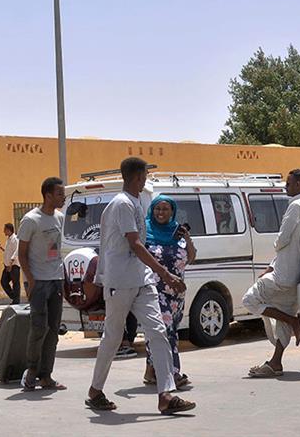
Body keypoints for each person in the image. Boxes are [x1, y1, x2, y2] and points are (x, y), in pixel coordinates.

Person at [86, 157, 195, 415]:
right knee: (113, 337)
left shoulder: (136, 202)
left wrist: (157, 274)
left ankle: (166, 395)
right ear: (138, 177)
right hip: (120, 281)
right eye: (145, 175)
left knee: (158, 331)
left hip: (142, 280)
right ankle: (95, 390)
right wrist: (165, 274)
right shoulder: (122, 204)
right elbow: (135, 244)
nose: (146, 179)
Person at [243, 169, 300, 378]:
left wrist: (275, 249)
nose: (286, 186)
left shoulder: (295, 206)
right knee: (283, 314)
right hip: (296, 274)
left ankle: (293, 321)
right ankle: (276, 363)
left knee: (249, 300)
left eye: (289, 183)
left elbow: (283, 240)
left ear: (299, 184)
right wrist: (271, 266)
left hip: (283, 274)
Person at [142, 195, 197, 387]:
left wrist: (187, 238)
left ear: (172, 211)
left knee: (168, 330)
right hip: (153, 291)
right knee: (164, 331)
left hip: (176, 293)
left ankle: (151, 371)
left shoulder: (177, 232)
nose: (161, 213)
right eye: (158, 209)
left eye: (165, 209)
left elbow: (191, 257)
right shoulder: (145, 232)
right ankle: (172, 373)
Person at [18, 177, 67, 391]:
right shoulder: (31, 220)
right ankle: (31, 371)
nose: (63, 197)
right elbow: (21, 253)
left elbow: (56, 248)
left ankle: (46, 376)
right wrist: (30, 280)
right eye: (59, 194)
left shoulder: (60, 217)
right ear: (47, 195)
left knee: (53, 330)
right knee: (39, 327)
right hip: (38, 282)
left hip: (56, 280)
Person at [0, 223, 21, 305]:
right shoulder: (9, 240)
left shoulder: (15, 239)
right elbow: (7, 252)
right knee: (4, 281)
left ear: (9, 230)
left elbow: (16, 251)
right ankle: (14, 297)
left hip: (13, 265)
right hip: (7, 265)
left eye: (5, 229)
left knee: (15, 283)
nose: (4, 231)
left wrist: (11, 263)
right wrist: (0, 247)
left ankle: (16, 301)